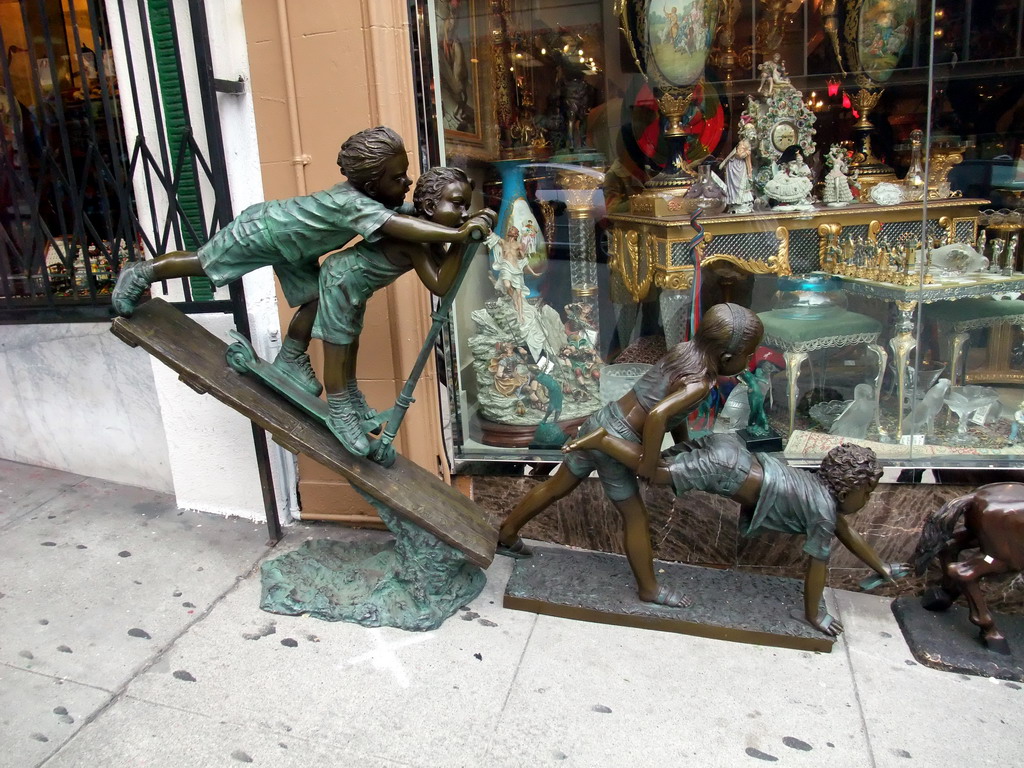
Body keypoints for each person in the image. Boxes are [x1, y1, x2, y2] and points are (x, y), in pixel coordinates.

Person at [111, 126, 485, 398]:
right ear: (372, 185)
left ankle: (290, 358)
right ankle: (142, 272)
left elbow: (410, 218)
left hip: (296, 250)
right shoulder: (353, 203)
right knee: (204, 262)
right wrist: (454, 235)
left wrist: (447, 221)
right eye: (398, 177)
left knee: (317, 298)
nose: (407, 182)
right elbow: (399, 223)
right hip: (265, 231)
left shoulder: (374, 201)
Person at [497, 303, 765, 608]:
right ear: (727, 357)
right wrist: (649, 465)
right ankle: (649, 588)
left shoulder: (685, 351)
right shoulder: (700, 383)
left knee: (556, 487)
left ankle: (506, 533)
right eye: (749, 353)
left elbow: (672, 414)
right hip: (619, 440)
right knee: (635, 516)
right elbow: (658, 416)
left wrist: (680, 447)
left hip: (603, 419)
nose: (751, 359)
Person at [560, 432, 893, 636]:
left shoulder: (821, 494)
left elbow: (848, 534)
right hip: (728, 470)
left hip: (728, 446)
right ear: (849, 489)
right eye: (867, 493)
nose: (866, 501)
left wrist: (882, 569)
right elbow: (817, 565)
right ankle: (604, 440)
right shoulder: (822, 512)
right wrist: (814, 614)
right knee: (655, 472)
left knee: (658, 462)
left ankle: (608, 443)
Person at [311, 166, 494, 457]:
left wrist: (467, 228)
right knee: (339, 345)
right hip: (341, 280)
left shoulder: (427, 230)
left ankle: (350, 395)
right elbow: (440, 284)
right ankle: (339, 409)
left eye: (466, 207)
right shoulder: (416, 238)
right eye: (458, 205)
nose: (462, 214)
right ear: (431, 206)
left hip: (354, 284)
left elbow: (444, 266)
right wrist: (463, 237)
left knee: (351, 342)